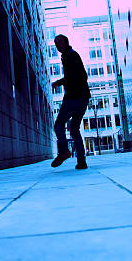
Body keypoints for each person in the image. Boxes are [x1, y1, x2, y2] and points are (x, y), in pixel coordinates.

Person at [51, 34, 91, 169]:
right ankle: (81, 161)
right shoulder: (69, 56)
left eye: (59, 42)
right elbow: (76, 75)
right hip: (82, 99)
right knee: (74, 129)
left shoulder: (71, 56)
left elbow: (79, 75)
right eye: (55, 43)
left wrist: (60, 82)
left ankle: (64, 151)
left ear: (66, 42)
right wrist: (62, 82)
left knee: (58, 125)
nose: (57, 45)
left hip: (74, 98)